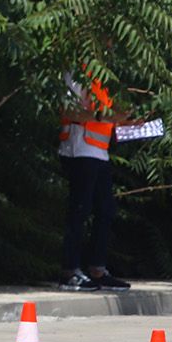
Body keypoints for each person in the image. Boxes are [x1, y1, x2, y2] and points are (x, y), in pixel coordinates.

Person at [57, 69, 130, 292]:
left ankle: (97, 269)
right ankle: (70, 271)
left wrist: (126, 121)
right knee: (79, 211)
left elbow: (108, 116)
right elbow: (68, 110)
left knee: (106, 210)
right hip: (79, 150)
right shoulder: (75, 72)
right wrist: (104, 116)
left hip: (99, 151)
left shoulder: (104, 77)